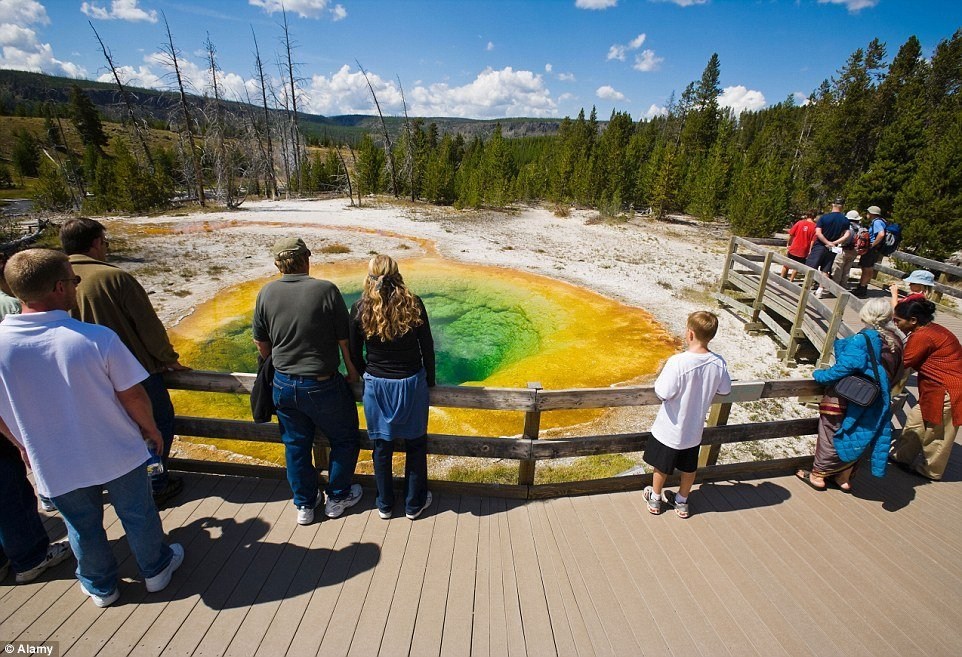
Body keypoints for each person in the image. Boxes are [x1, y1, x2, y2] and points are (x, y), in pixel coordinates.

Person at [0, 249, 183, 607]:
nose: (75, 287)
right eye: (73, 280)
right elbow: (132, 396)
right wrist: (151, 429)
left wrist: (22, 444)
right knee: (138, 513)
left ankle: (101, 586)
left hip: (52, 458)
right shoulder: (95, 338)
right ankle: (156, 570)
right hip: (116, 448)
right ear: (57, 287)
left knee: (81, 524)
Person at [60, 218, 188, 507]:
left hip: (79, 376)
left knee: (104, 427)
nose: (106, 248)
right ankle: (156, 482)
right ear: (95, 243)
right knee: (156, 422)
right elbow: (148, 326)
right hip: (132, 372)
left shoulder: (51, 280)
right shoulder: (113, 278)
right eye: (105, 242)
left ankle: (116, 482)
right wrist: (168, 359)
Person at [252, 237, 362, 524]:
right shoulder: (325, 290)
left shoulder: (266, 293)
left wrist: (276, 361)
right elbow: (343, 338)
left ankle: (305, 503)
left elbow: (261, 343)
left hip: (284, 384)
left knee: (295, 445)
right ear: (306, 259)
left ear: (278, 263)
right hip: (322, 383)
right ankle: (337, 497)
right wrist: (351, 371)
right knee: (345, 437)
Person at [349, 255, 436, 521]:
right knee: (416, 444)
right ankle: (413, 504)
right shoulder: (414, 304)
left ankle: (385, 504)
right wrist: (429, 381)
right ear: (397, 275)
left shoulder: (359, 307)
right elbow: (427, 348)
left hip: (377, 384)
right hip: (411, 382)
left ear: (369, 276)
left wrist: (369, 374)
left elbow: (353, 353)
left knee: (381, 447)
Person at [796, 298, 903, 492]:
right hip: (875, 399)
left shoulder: (862, 339)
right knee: (860, 434)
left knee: (831, 433)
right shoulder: (896, 341)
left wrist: (820, 375)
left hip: (847, 396)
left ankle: (818, 475)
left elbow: (844, 368)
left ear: (865, 314)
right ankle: (843, 477)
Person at [643, 311, 731, 519]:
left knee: (662, 465)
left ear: (690, 334)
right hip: (694, 429)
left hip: (670, 427)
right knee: (689, 468)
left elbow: (663, 392)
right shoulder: (718, 363)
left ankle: (655, 498)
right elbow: (725, 389)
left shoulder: (678, 362)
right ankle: (682, 502)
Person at [889, 299, 962, 480]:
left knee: (938, 433)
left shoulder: (923, 336)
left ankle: (930, 470)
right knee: (916, 421)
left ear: (913, 320)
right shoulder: (931, 330)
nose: (895, 324)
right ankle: (902, 456)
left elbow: (904, 362)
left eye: (898, 320)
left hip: (949, 389)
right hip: (934, 388)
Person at [805, 198, 852, 298]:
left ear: (832, 204)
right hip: (832, 248)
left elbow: (818, 232)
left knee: (811, 266)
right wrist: (834, 243)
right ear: (842, 206)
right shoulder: (845, 220)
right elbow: (847, 234)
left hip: (820, 245)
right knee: (826, 269)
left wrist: (826, 242)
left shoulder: (824, 217)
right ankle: (820, 291)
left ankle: (806, 287)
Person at [851, 205, 886, 298]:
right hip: (875, 250)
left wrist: (872, 245)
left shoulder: (877, 222)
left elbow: (881, 234)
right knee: (867, 268)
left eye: (868, 212)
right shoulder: (881, 221)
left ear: (872, 214)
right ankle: (862, 286)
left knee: (866, 269)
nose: (867, 214)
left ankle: (862, 289)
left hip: (872, 249)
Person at [780, 211, 817, 282]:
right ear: (814, 217)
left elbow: (791, 234)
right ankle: (791, 280)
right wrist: (810, 250)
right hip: (804, 250)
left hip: (794, 247)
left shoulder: (800, 222)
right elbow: (813, 241)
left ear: (807, 215)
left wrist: (789, 244)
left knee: (786, 264)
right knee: (797, 267)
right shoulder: (815, 227)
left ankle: (781, 279)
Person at [830, 210, 862, 290]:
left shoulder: (847, 227)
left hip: (843, 250)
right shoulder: (860, 228)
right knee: (846, 270)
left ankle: (835, 288)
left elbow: (844, 238)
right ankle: (843, 287)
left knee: (837, 269)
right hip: (854, 251)